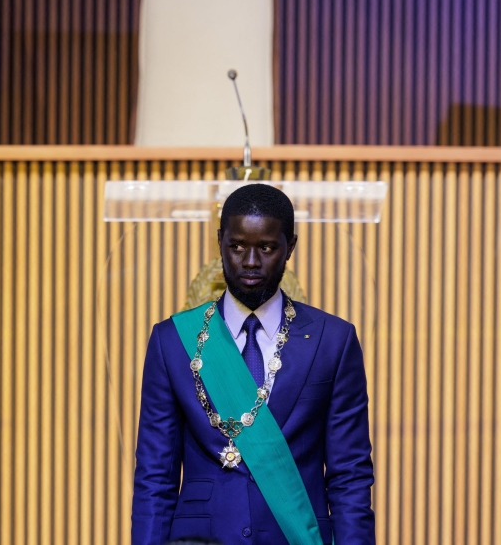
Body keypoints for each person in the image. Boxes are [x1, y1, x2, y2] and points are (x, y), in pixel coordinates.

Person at [132, 183, 375, 545]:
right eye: (237, 246)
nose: (249, 262)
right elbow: (155, 476)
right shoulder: (172, 340)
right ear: (220, 242)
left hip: (295, 534)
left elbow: (349, 477)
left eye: (266, 248)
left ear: (290, 247)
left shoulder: (333, 341)